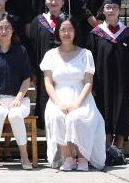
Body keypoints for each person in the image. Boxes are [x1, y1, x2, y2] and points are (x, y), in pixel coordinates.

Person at [40, 16, 106, 171]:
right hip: (58, 97)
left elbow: (88, 82)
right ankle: (68, 158)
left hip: (81, 97)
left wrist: (77, 103)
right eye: (63, 30)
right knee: (56, 117)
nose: (66, 33)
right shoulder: (50, 55)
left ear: (76, 32)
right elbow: (48, 83)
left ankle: (82, 158)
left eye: (70, 29)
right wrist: (58, 103)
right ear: (57, 32)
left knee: (76, 118)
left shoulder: (86, 54)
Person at [88, 0, 129, 162]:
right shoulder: (95, 34)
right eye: (108, 7)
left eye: (114, 7)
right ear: (103, 11)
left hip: (123, 82)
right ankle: (105, 148)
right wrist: (92, 84)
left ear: (119, 10)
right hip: (101, 81)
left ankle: (119, 149)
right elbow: (90, 60)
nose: (111, 10)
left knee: (121, 113)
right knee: (103, 112)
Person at [0, 13, 34, 170]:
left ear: (13, 30)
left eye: (7, 28)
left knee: (15, 115)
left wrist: (18, 98)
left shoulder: (21, 51)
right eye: (0, 28)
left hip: (19, 99)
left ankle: (24, 156)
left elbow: (27, 78)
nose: (4, 31)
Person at [27, 0, 71, 129]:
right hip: (44, 71)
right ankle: (49, 133)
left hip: (65, 70)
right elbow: (32, 48)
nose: (53, 2)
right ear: (45, 2)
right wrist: (33, 71)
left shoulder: (69, 21)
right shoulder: (38, 21)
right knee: (45, 97)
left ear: (63, 2)